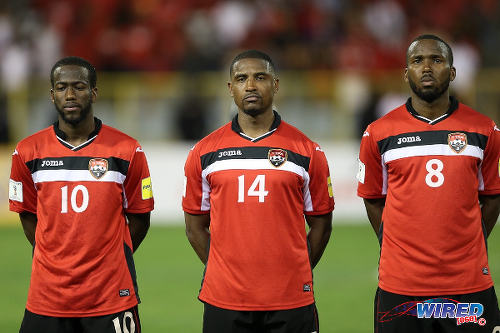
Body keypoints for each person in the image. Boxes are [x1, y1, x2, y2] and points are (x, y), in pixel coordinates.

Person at [182, 50, 334, 332]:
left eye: (259, 77)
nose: (250, 86)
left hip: (290, 299)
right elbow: (194, 227)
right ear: (231, 88)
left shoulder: (307, 151)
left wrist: (295, 270)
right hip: (224, 299)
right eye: (241, 79)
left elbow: (322, 224)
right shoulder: (204, 153)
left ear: (275, 85)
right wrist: (223, 271)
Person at [357, 34, 500, 332]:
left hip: (468, 281)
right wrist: (394, 244)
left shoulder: (484, 130)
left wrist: (470, 243)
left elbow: (493, 196)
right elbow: (372, 197)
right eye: (417, 61)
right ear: (405, 72)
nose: (426, 67)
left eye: (436, 60)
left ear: (452, 72)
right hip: (401, 283)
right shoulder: (378, 133)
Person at [8, 56, 154, 333]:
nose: (70, 94)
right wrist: (56, 255)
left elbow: (140, 217)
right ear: (52, 95)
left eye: (79, 86)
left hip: (110, 295)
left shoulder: (127, 150)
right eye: (62, 87)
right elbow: (28, 216)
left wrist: (109, 258)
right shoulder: (27, 152)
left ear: (94, 92)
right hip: (47, 297)